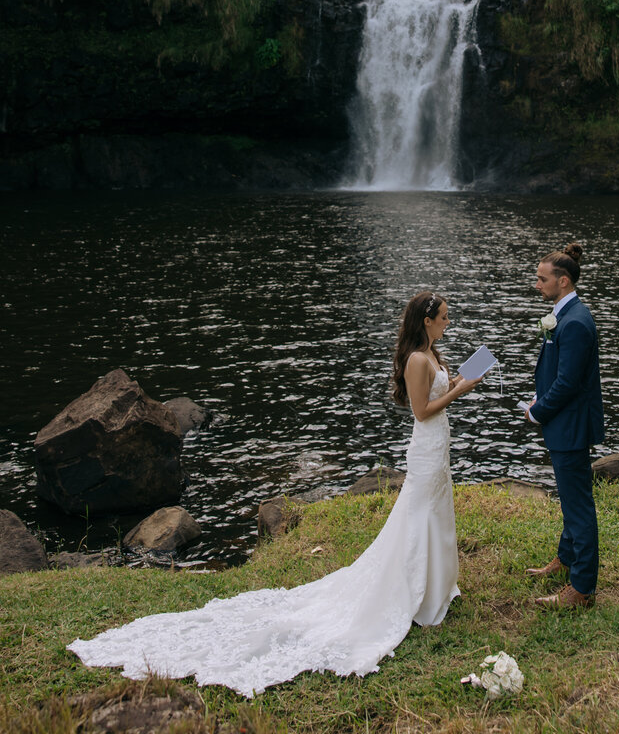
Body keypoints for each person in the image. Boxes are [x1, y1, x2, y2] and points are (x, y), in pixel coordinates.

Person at [68, 291, 481, 695]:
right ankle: (414, 591)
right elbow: (422, 411)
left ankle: (436, 585)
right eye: (443, 317)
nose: (447, 322)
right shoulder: (415, 358)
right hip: (426, 443)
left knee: (434, 511)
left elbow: (435, 399)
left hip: (437, 445)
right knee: (418, 515)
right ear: (426, 320)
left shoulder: (431, 354)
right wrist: (461, 390)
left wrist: (458, 379)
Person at [522, 243, 604, 610]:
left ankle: (581, 587)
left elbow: (570, 383)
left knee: (578, 507)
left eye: (542, 279)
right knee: (571, 500)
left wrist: (538, 412)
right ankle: (566, 559)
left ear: (564, 281)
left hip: (569, 426)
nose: (536, 285)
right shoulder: (565, 315)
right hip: (564, 422)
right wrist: (540, 397)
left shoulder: (575, 323)